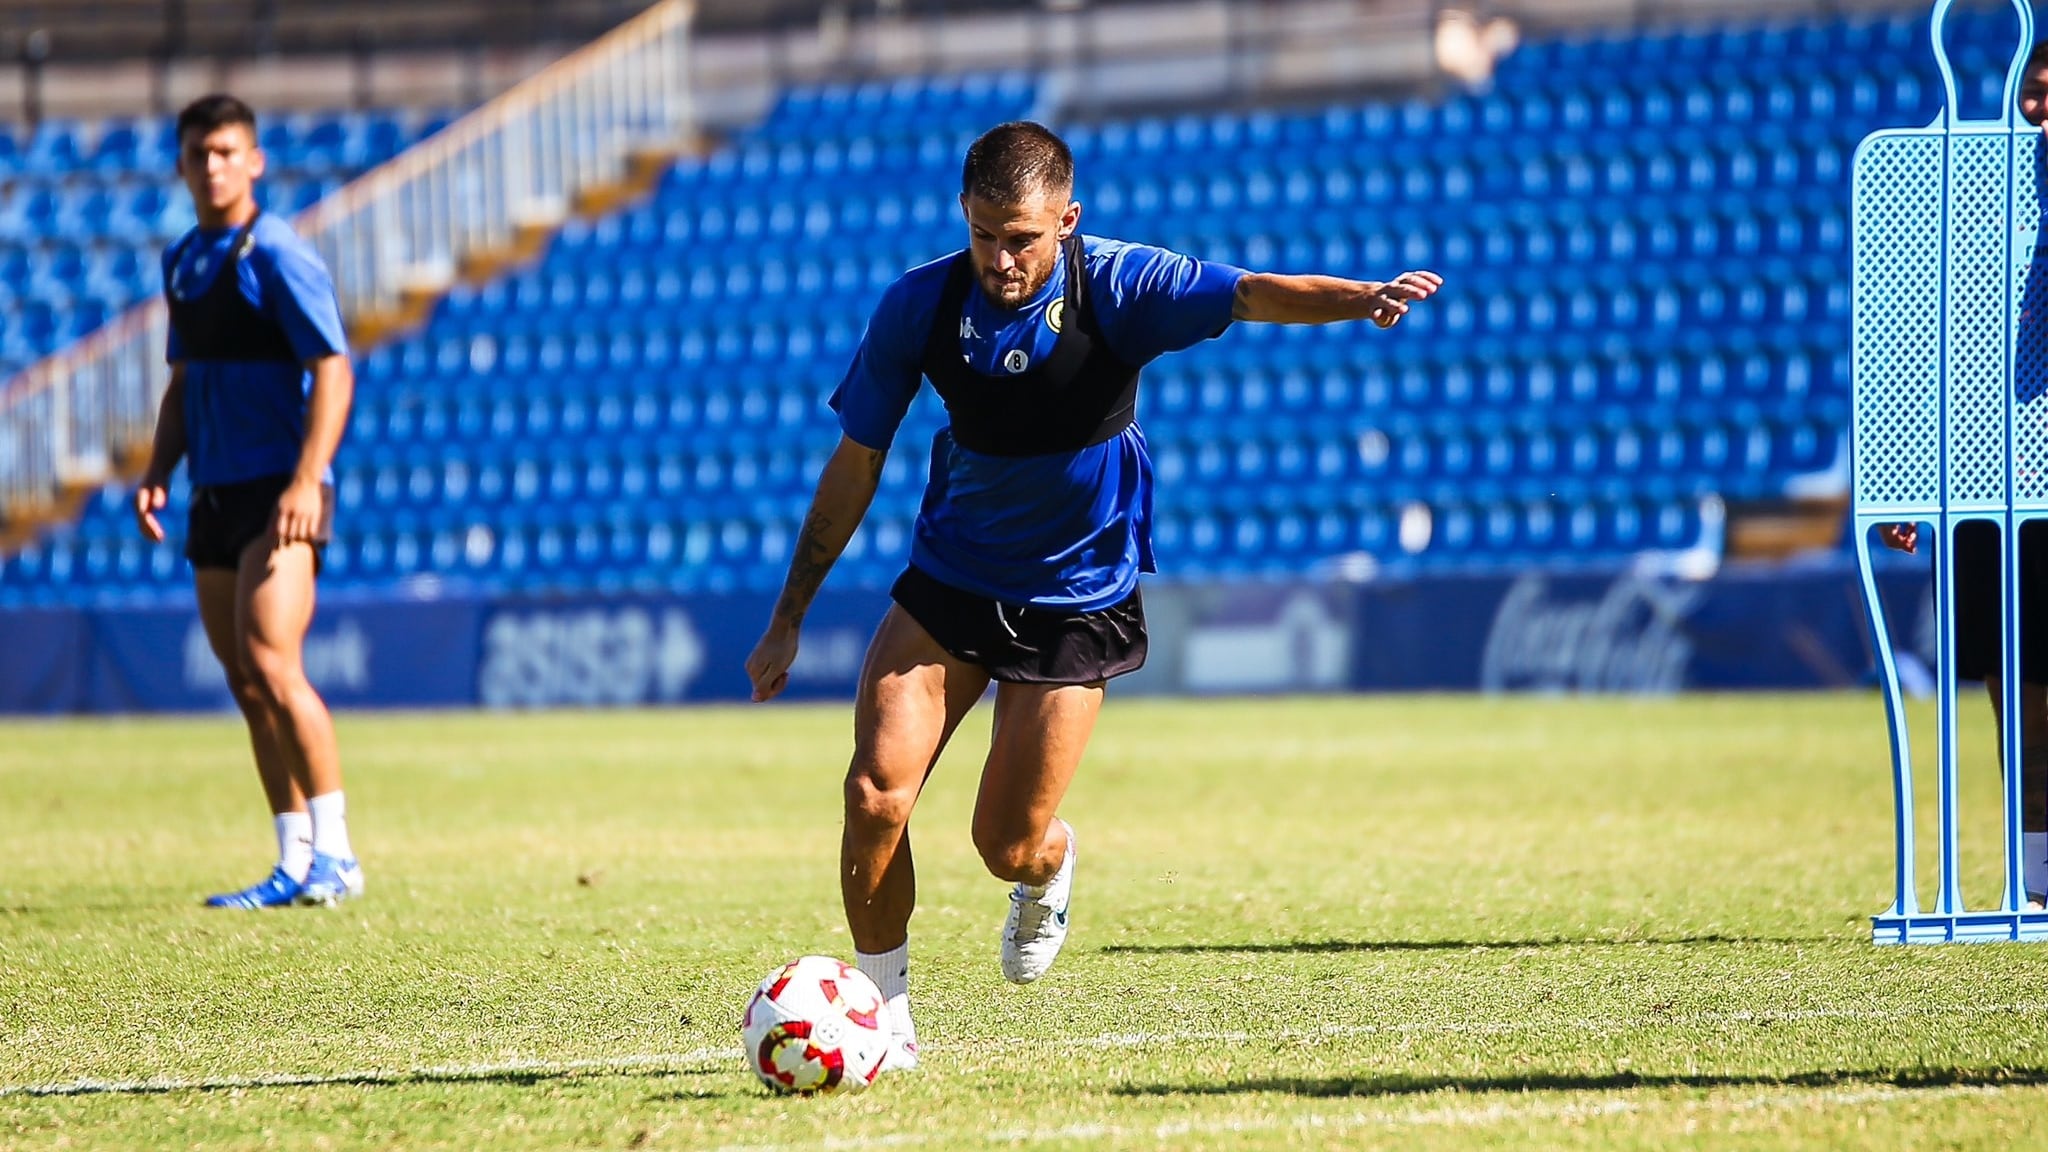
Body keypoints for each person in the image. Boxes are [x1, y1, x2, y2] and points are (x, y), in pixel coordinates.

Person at [744, 120, 1441, 1068]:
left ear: (1067, 221)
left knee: (1005, 841)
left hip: (1077, 597)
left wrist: (1362, 298)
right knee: (874, 796)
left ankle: (1050, 863)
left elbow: (1245, 294)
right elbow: (856, 463)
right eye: (985, 233)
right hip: (951, 579)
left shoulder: (1121, 284)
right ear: (964, 216)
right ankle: (885, 1025)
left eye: (1023, 236)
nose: (1002, 257)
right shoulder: (919, 305)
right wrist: (789, 617)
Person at [133, 94, 363, 908]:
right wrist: (161, 466)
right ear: (183, 164)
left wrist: (308, 478)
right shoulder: (185, 260)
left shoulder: (279, 255)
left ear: (255, 160)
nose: (213, 165)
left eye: (228, 150)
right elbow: (185, 377)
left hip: (279, 488)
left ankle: (338, 854)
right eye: (199, 153)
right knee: (244, 678)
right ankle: (292, 859)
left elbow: (332, 368)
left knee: (273, 659)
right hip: (214, 490)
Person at [1875, 43, 2048, 911]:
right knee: (2009, 691)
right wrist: (1901, 475)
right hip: (1993, 479)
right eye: (2034, 87)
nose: (2042, 103)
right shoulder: (1976, 201)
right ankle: (2038, 869)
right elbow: (1922, 339)